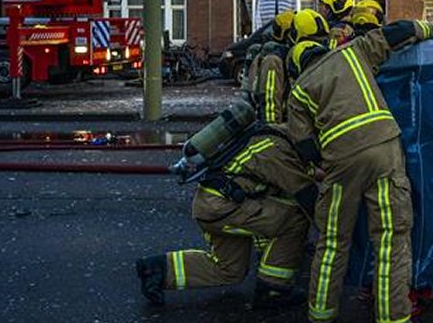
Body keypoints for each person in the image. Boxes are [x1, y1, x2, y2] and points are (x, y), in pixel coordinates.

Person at [286, 20, 433, 323]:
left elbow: (303, 144)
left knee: (333, 242)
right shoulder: (351, 52)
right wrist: (427, 30)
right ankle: (392, 317)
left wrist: (324, 165)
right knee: (391, 238)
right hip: (384, 148)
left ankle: (321, 313)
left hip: (341, 162)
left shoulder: (298, 90)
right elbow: (396, 33)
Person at [135, 101, 317, 308]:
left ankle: (157, 270)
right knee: (295, 220)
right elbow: (306, 195)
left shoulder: (272, 135)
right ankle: (273, 290)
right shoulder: (277, 151)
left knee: (229, 271)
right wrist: (335, 238)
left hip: (213, 205)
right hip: (224, 208)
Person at [249, 11, 294, 123]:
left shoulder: (268, 54)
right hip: (277, 120)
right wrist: (272, 128)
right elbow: (270, 97)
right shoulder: (273, 60)